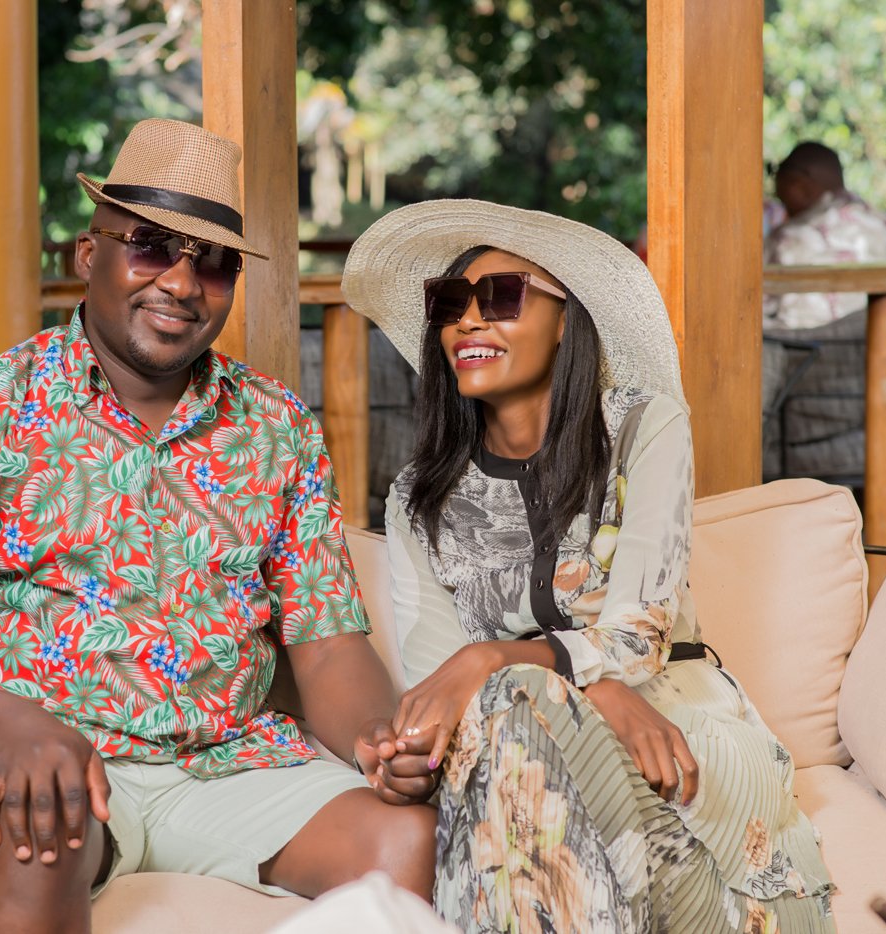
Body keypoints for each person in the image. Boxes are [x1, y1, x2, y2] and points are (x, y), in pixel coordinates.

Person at [0, 118, 435, 933]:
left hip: (233, 762)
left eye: (214, 262)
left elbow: (327, 643)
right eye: (152, 247)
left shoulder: (278, 426)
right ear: (89, 256)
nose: (184, 284)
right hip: (51, 751)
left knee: (407, 837)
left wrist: (377, 741)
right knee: (37, 822)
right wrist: (16, 728)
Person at [341, 199, 837, 932]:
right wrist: (412, 752)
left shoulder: (643, 427)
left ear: (566, 320)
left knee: (504, 694)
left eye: (500, 296)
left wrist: (493, 659)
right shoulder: (421, 498)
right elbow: (441, 687)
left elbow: (639, 634)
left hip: (674, 743)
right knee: (505, 711)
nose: (468, 321)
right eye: (450, 302)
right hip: (524, 758)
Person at [765, 142, 886, 331]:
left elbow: (754, 304)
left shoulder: (790, 237)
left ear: (798, 183)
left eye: (776, 174)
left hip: (808, 347)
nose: (775, 190)